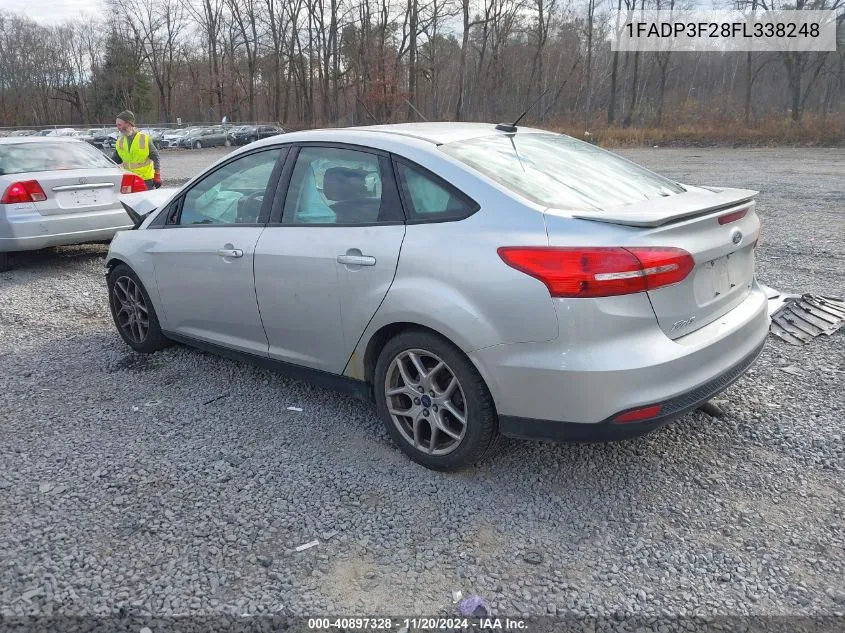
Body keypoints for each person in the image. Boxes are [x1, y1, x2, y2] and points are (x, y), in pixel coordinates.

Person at [112, 110, 161, 190]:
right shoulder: (120, 140)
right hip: (128, 180)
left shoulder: (144, 138)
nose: (118, 127)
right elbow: (115, 159)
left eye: (119, 125)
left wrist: (157, 175)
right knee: (128, 201)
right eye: (117, 125)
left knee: (146, 201)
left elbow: (156, 157)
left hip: (145, 180)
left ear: (128, 123)